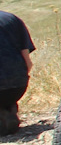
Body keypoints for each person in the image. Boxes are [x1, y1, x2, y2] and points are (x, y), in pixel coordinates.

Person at [0, 9, 34, 137]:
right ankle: (7, 108)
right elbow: (28, 64)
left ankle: (4, 113)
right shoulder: (12, 19)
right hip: (18, 87)